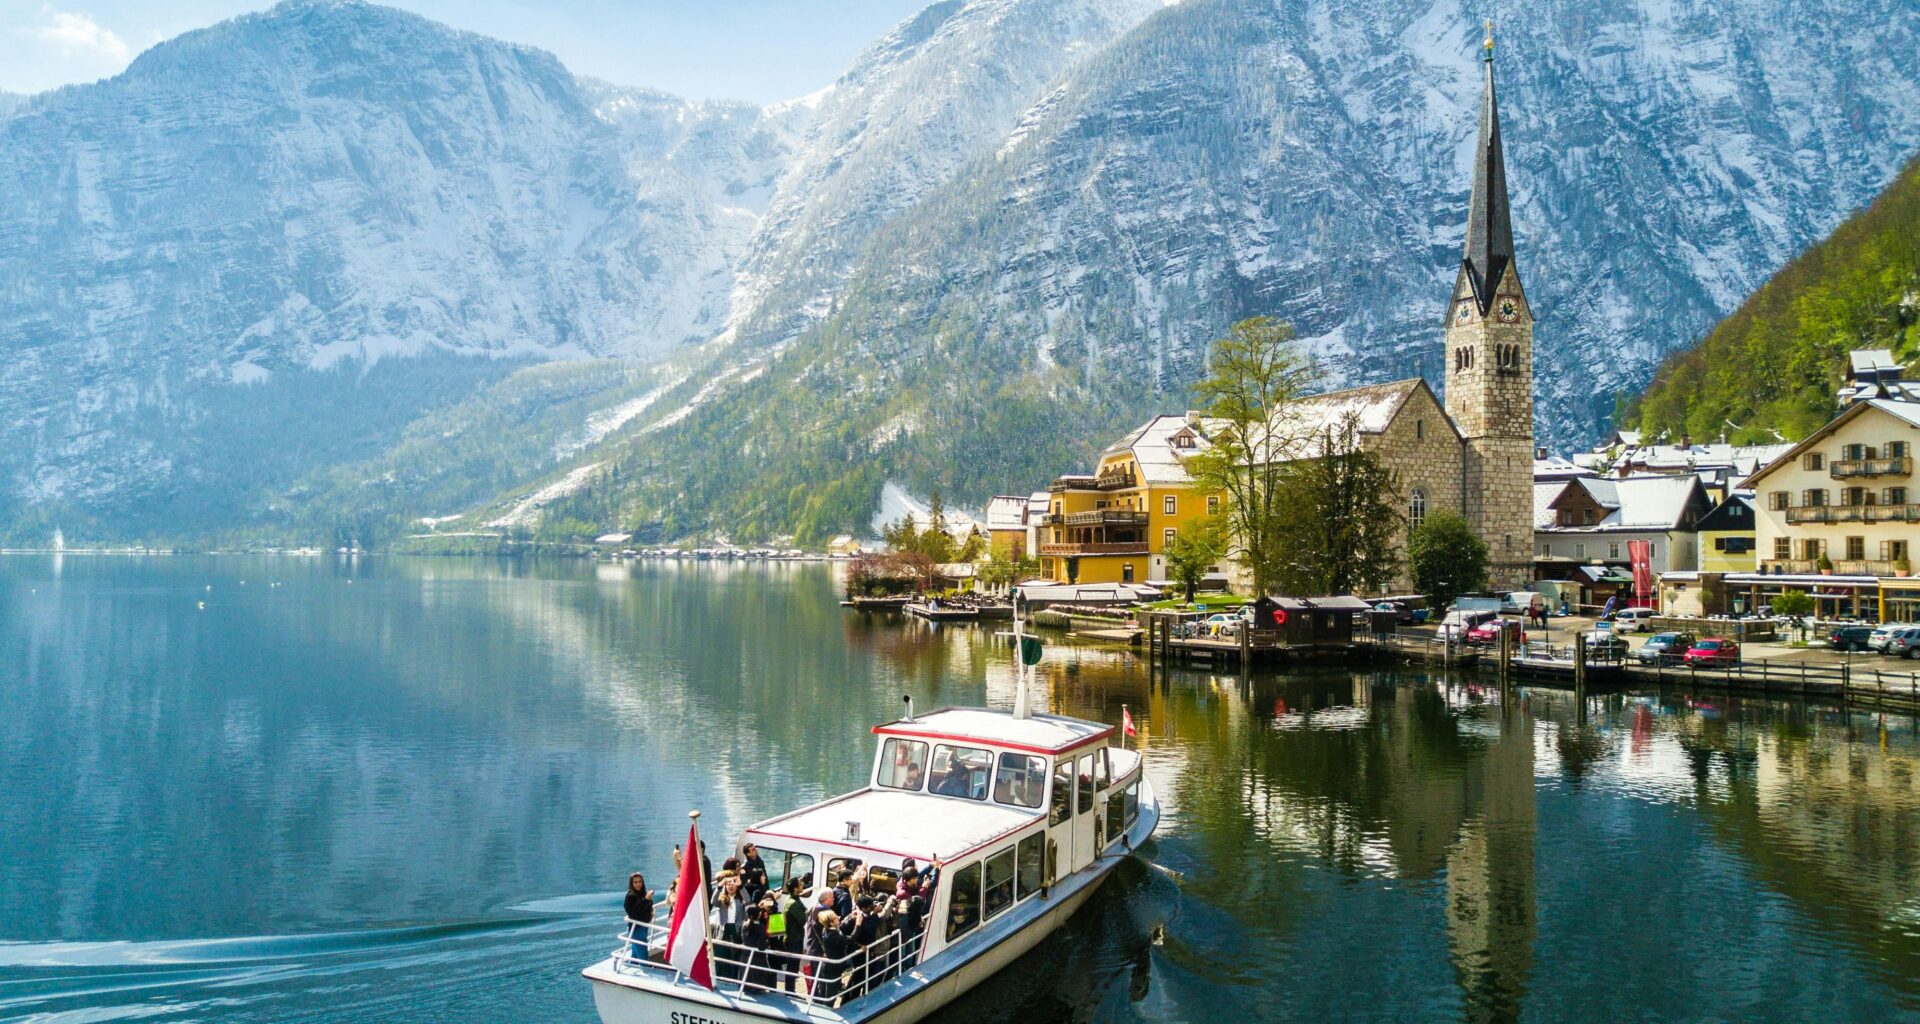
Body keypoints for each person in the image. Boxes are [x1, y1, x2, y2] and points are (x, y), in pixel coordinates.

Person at [710, 875, 748, 984]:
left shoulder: (740, 900)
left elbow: (748, 901)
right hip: (723, 929)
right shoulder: (722, 899)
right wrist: (719, 886)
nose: (730, 886)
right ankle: (718, 978)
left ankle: (732, 980)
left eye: (733, 884)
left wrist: (741, 886)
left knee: (734, 956)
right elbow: (713, 902)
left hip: (735, 930)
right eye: (728, 884)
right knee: (721, 954)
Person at [742, 901, 775, 993]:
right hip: (758, 959)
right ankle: (756, 989)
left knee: (747, 977)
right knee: (756, 980)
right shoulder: (760, 927)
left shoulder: (744, 925)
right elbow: (761, 946)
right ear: (759, 914)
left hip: (746, 956)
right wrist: (767, 942)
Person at [624, 872, 654, 960]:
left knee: (635, 956)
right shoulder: (630, 896)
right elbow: (634, 913)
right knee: (643, 956)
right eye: (635, 882)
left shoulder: (643, 893)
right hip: (636, 929)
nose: (638, 884)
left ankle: (632, 967)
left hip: (643, 927)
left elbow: (646, 907)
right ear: (631, 883)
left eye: (640, 882)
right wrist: (646, 900)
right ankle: (646, 970)